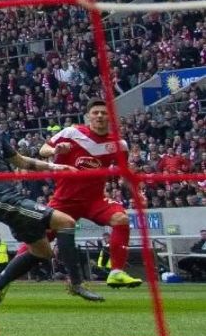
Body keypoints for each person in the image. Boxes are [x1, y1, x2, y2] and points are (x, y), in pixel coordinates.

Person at [0, 95, 104, 305]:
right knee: (66, 222)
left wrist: (55, 167)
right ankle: (77, 283)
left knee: (43, 252)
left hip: (13, 196)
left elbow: (21, 161)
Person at [38, 99, 142, 288]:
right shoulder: (72, 132)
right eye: (96, 113)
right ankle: (3, 279)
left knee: (120, 219)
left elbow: (125, 172)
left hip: (94, 200)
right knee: (39, 239)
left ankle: (117, 272)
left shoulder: (119, 144)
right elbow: (43, 150)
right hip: (65, 200)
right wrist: (55, 149)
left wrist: (137, 193)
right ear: (88, 117)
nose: (100, 116)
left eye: (104, 113)